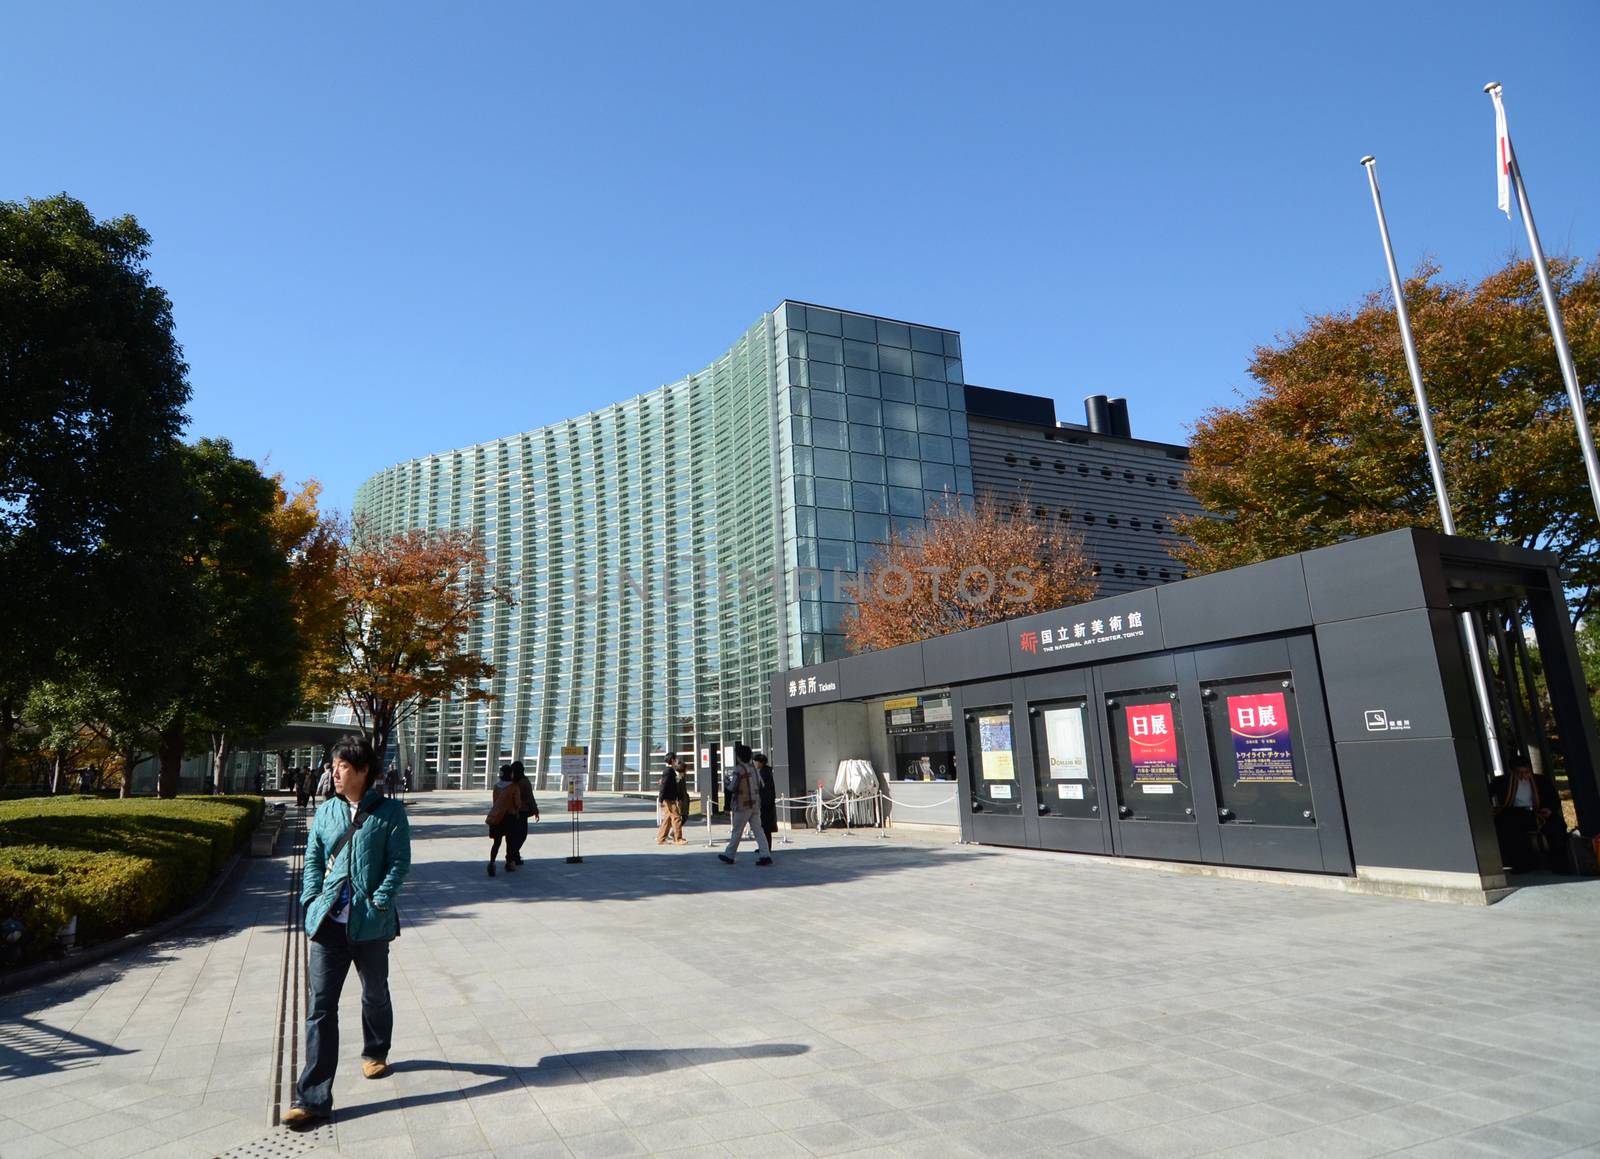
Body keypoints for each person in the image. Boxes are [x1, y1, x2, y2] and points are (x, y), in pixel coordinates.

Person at [283, 734, 411, 1129]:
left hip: (371, 925)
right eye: (333, 766)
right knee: (321, 1008)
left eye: (342, 766)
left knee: (375, 993)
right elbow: (314, 860)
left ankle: (375, 1050)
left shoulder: (390, 813)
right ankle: (313, 1098)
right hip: (328, 927)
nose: (334, 772)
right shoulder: (326, 813)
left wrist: (379, 901)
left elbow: (398, 862)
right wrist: (309, 900)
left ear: (363, 771)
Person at [717, 743, 772, 866]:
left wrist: (726, 783)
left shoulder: (738, 769)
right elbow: (761, 784)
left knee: (737, 831)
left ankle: (729, 855)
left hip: (742, 805)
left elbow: (732, 787)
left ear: (739, 756)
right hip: (755, 804)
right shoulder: (754, 769)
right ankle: (765, 854)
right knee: (758, 830)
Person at [486, 765, 520, 875]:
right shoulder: (514, 787)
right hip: (510, 817)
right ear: (510, 774)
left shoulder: (496, 786)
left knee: (497, 842)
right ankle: (509, 863)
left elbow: (495, 801)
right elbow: (517, 803)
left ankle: (492, 863)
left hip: (497, 817)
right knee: (510, 841)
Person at [508, 762, 539, 865]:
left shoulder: (510, 782)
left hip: (510, 812)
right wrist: (535, 810)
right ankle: (512, 855)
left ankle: (514, 856)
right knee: (522, 835)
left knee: (512, 835)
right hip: (522, 812)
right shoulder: (524, 782)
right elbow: (530, 797)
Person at [656, 755, 689, 845]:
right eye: (676, 759)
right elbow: (664, 786)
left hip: (670, 798)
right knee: (677, 818)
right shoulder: (668, 771)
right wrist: (660, 799)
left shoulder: (671, 771)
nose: (677, 761)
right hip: (669, 799)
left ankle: (661, 839)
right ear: (672, 760)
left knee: (667, 819)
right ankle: (678, 839)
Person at [754, 752, 778, 850]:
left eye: (756, 761)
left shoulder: (764, 773)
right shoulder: (765, 772)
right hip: (766, 803)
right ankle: (764, 847)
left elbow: (764, 790)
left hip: (765, 804)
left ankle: (765, 848)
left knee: (765, 827)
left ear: (761, 762)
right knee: (764, 828)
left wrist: (763, 802)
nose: (754, 763)